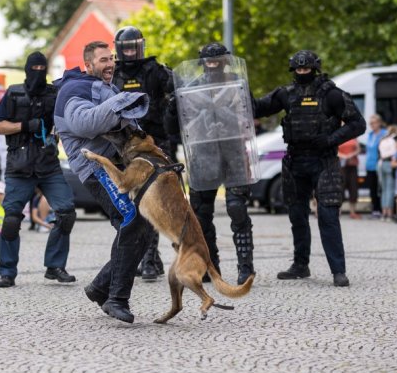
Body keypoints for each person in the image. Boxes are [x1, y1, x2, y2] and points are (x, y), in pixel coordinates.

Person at [54, 40, 151, 323]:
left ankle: (100, 288)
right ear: (88, 64)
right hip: (96, 169)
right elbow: (86, 124)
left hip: (117, 167)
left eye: (111, 59)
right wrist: (121, 102)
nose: (110, 64)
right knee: (131, 219)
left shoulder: (106, 88)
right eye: (103, 60)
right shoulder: (74, 90)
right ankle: (116, 298)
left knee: (142, 228)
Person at [254, 49, 366, 287]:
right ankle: (300, 265)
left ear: (315, 69)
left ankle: (338, 270)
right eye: (298, 69)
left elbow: (358, 124)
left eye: (306, 69)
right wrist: (238, 91)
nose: (302, 72)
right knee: (297, 216)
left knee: (327, 216)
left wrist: (331, 139)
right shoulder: (286, 94)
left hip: (324, 161)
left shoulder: (332, 95)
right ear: (293, 70)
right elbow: (258, 108)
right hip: (295, 162)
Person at [167, 42, 257, 285]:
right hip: (204, 154)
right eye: (209, 59)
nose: (213, 62)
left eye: (218, 58)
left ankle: (245, 267)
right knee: (201, 215)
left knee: (237, 208)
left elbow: (251, 113)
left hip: (234, 153)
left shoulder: (237, 83)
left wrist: (228, 113)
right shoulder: (191, 87)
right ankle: (209, 266)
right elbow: (175, 127)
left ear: (226, 60)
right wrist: (172, 108)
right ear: (202, 61)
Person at [0, 52, 78, 287]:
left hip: (48, 165)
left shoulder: (54, 93)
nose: (38, 71)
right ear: (28, 69)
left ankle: (55, 266)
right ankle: (7, 272)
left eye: (43, 67)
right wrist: (23, 126)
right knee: (11, 219)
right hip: (19, 166)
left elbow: (66, 121)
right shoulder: (13, 92)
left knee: (66, 212)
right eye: (35, 67)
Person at [112, 25, 176, 280]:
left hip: (155, 143)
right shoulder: (112, 74)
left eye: (133, 47)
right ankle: (138, 257)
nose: (129, 52)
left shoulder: (156, 71)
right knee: (128, 203)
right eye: (125, 48)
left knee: (154, 201)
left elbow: (177, 91)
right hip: (123, 147)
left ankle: (150, 257)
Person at [364, 114, 387, 218]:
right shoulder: (370, 135)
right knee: (372, 188)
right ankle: (375, 209)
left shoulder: (384, 134)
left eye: (373, 123)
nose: (372, 125)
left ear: (379, 123)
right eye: (370, 123)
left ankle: (383, 209)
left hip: (379, 165)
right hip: (370, 165)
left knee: (381, 188)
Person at [377, 125, 397, 222]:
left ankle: (383, 213)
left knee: (384, 189)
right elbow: (394, 154)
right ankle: (389, 214)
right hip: (389, 163)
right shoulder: (393, 141)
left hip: (381, 164)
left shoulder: (382, 140)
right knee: (390, 189)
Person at [337, 137, 361, 219]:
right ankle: (338, 211)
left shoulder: (354, 138)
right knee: (341, 188)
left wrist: (352, 154)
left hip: (352, 166)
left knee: (353, 188)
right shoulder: (339, 137)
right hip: (342, 166)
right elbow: (335, 151)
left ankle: (352, 212)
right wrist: (343, 155)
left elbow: (358, 149)